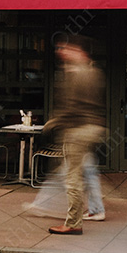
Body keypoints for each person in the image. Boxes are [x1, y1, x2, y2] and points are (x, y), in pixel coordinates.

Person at [43, 34, 106, 235]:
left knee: (72, 178)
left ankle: (73, 223)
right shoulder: (94, 72)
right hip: (92, 128)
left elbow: (70, 107)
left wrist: (53, 123)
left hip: (77, 130)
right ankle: (93, 210)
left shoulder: (76, 73)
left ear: (78, 51)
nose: (60, 52)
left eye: (65, 48)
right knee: (84, 173)